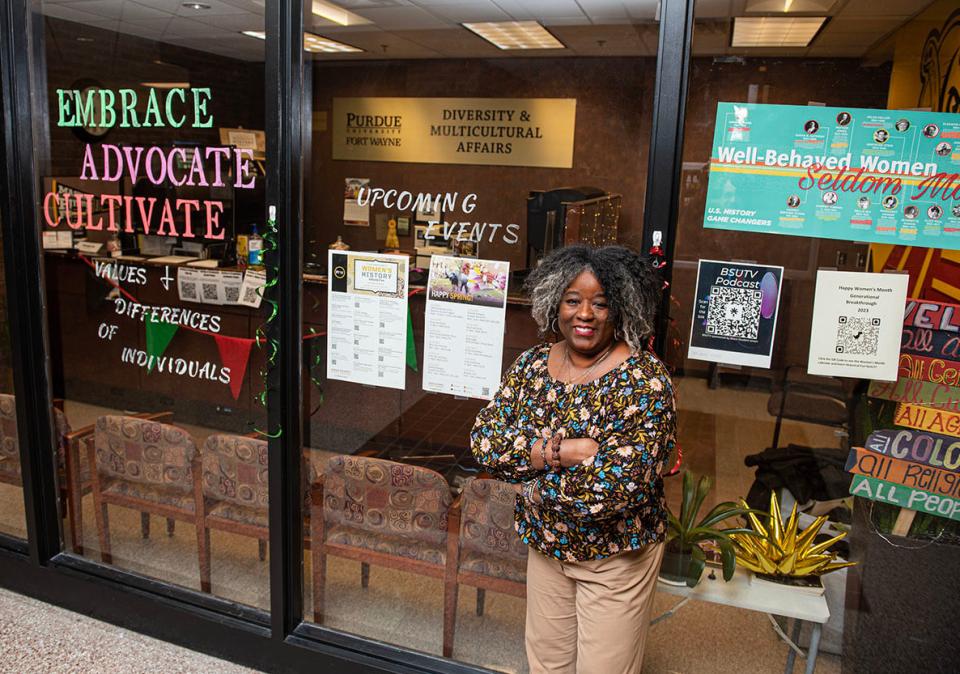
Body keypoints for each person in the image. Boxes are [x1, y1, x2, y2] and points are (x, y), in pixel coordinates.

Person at [471, 245, 676, 674]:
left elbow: (611, 490)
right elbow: (485, 440)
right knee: (547, 665)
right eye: (573, 300)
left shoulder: (645, 382)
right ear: (554, 303)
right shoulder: (531, 366)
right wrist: (561, 451)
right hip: (547, 547)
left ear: (621, 308)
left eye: (601, 303)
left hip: (614, 556)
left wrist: (526, 478)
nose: (585, 314)